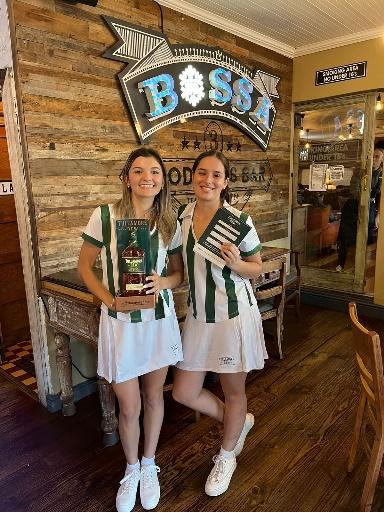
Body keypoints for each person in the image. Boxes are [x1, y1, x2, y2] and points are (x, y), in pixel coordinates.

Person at [77, 147, 184, 512]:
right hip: (120, 324)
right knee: (129, 404)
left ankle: (150, 463)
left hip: (157, 321)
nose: (147, 177)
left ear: (162, 180)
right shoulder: (104, 217)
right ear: (126, 178)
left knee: (155, 397)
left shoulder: (170, 222)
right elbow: (85, 267)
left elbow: (178, 274)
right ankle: (131, 468)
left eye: (154, 171)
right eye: (138, 171)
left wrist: (163, 282)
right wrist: (110, 300)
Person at [172, 150, 267, 497]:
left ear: (225, 182)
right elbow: (179, 273)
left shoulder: (239, 220)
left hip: (232, 316)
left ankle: (227, 455)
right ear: (193, 176)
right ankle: (237, 421)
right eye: (201, 172)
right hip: (199, 317)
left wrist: (239, 265)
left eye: (215, 175)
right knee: (184, 392)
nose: (207, 180)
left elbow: (258, 266)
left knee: (234, 390)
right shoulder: (182, 217)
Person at [368, 144, 383, 243]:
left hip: (374, 207)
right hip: (363, 205)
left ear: (382, 159)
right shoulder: (366, 172)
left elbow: (381, 197)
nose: (373, 159)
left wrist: (379, 215)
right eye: (372, 156)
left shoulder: (381, 175)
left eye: (377, 157)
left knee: (369, 232)